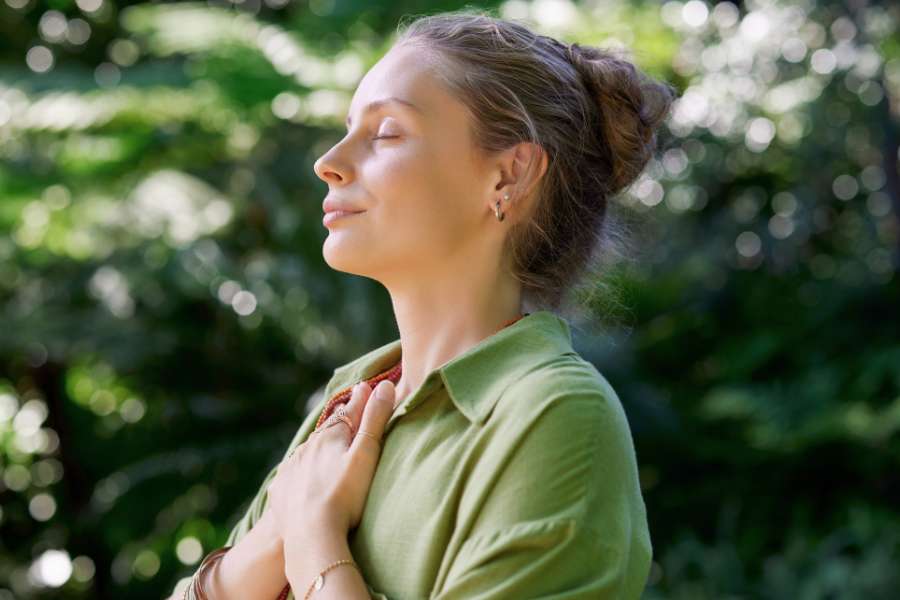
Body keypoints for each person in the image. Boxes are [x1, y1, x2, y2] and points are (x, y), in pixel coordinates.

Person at [169, 7, 675, 600]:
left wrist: (316, 541)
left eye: (385, 133)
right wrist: (282, 528)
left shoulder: (555, 414)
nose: (327, 162)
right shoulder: (346, 406)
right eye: (348, 127)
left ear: (508, 175)